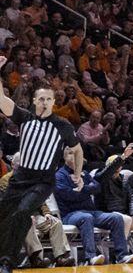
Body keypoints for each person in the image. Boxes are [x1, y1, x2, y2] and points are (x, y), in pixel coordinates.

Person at [0, 66, 85, 273]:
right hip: (19, 178)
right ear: (35, 101)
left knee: (22, 212)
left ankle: (6, 262)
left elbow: (77, 150)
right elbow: (1, 100)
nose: (45, 102)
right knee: (3, 215)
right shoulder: (25, 118)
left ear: (54, 102)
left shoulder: (62, 126)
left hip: (42, 182)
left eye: (49, 99)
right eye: (41, 99)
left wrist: (77, 175)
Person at [54, 147, 133, 265]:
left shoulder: (84, 173)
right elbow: (67, 195)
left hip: (91, 212)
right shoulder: (59, 175)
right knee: (86, 217)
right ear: (66, 157)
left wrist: (83, 188)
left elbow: (97, 187)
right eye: (72, 154)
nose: (77, 157)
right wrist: (85, 191)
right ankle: (90, 257)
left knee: (116, 218)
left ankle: (121, 256)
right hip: (70, 214)